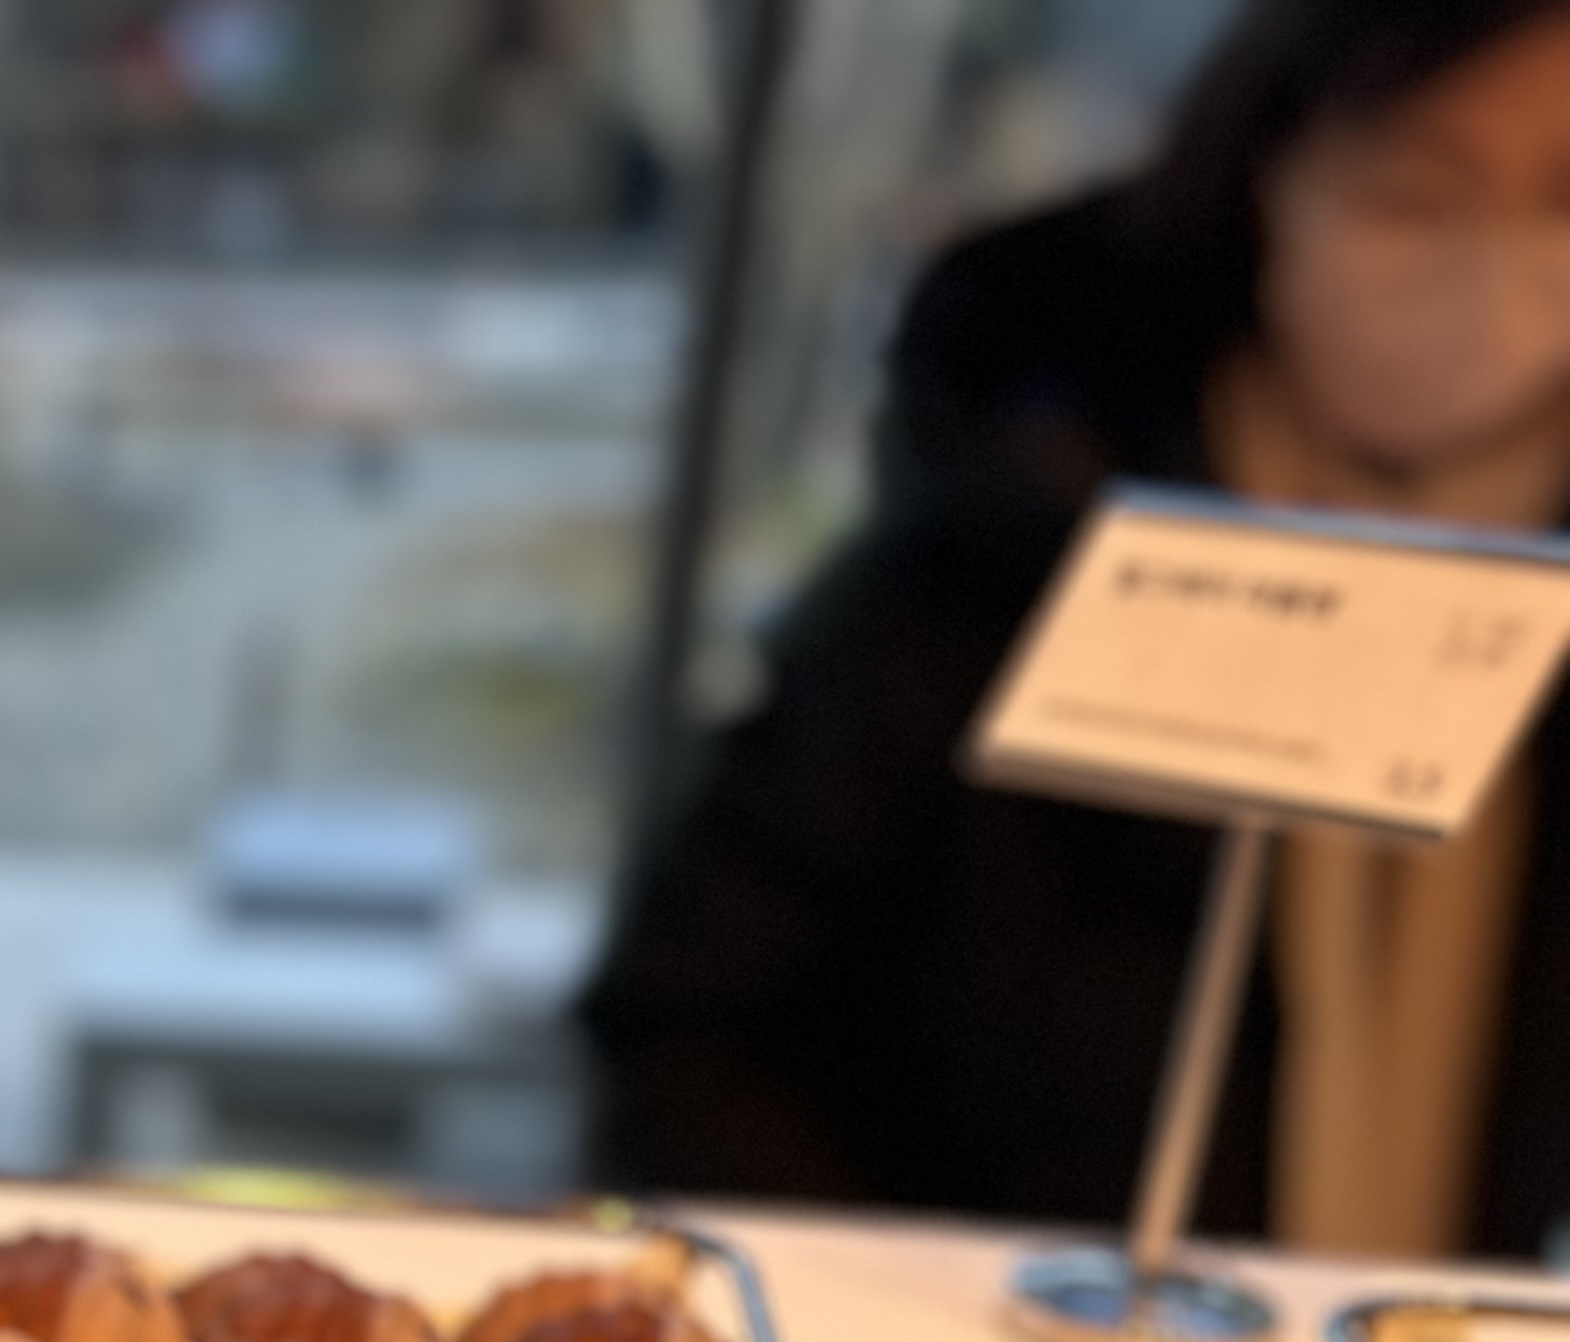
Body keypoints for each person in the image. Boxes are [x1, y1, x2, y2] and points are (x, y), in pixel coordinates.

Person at [580, 0, 1570, 1258]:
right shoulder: (995, 545)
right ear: (1272, 170)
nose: (1493, 263)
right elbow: (687, 1012)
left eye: (1562, 199)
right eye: (1417, 193)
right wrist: (900, 1321)